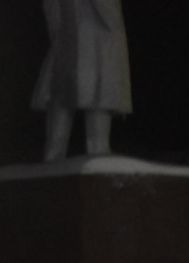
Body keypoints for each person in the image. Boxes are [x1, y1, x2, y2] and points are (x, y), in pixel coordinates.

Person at [33, 0, 131, 161]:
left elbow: (53, 17)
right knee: (96, 144)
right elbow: (111, 17)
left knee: (58, 143)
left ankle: (54, 171)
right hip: (93, 51)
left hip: (70, 50)